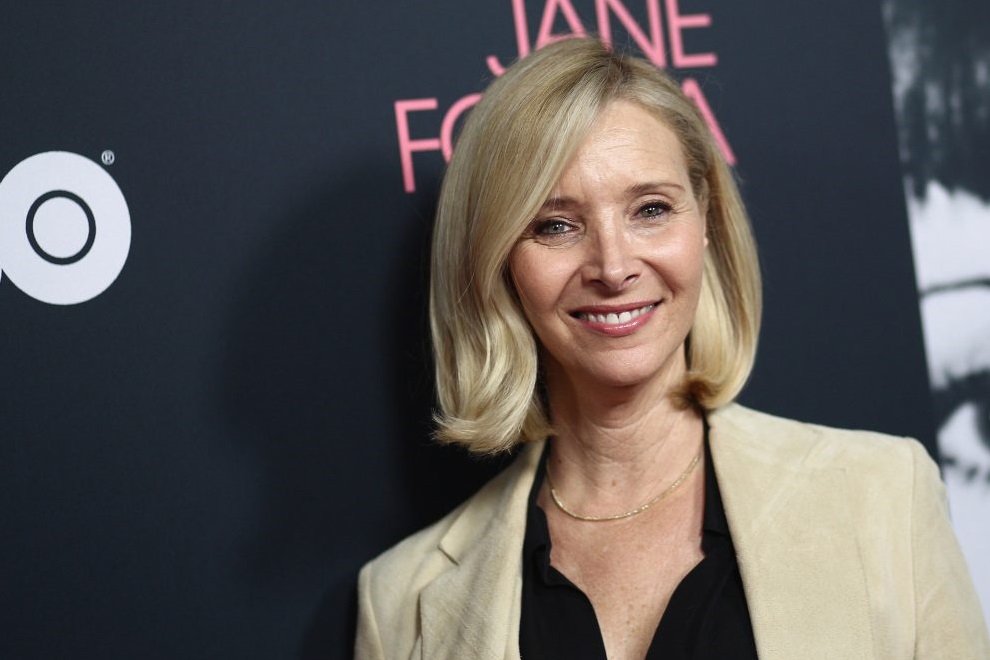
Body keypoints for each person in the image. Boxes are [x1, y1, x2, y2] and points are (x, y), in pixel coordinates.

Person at [355, 37, 989, 659]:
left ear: (705, 220)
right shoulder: (398, 604)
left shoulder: (885, 498)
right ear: (497, 259)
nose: (612, 267)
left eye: (650, 209)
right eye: (556, 224)